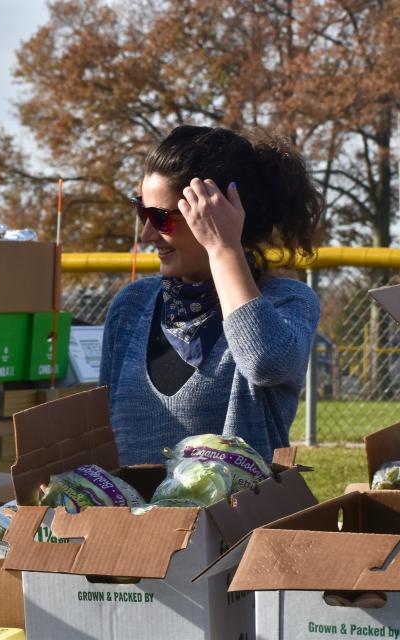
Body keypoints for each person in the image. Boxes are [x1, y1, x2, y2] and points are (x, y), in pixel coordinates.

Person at [99, 125, 323, 465]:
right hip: (133, 520)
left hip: (237, 518)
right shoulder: (131, 306)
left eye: (160, 218)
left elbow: (265, 362)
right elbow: (102, 435)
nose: (146, 234)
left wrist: (223, 247)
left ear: (219, 214)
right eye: (141, 212)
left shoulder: (286, 301)